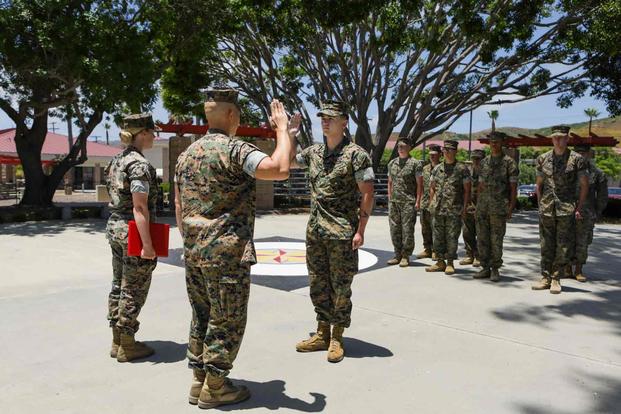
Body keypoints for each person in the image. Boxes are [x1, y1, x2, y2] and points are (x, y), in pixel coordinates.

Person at [175, 89, 295, 408]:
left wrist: (189, 240)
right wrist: (281, 129)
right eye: (238, 114)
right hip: (226, 253)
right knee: (227, 318)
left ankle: (199, 379)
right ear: (231, 115)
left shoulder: (187, 154)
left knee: (203, 315)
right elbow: (279, 169)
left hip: (194, 251)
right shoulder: (235, 149)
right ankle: (216, 387)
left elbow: (179, 204)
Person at [293, 100, 375, 363]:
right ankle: (321, 332)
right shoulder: (314, 152)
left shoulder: (356, 155)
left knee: (341, 287)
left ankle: (337, 336)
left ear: (344, 122)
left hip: (341, 233)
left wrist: (360, 230)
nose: (325, 121)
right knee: (317, 284)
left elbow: (367, 193)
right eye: (322, 117)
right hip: (315, 232)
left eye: (330, 117)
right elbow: (289, 163)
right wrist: (288, 135)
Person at [105, 113, 159, 363]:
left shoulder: (117, 160)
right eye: (151, 131)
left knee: (119, 283)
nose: (154, 136)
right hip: (132, 230)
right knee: (134, 287)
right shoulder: (138, 164)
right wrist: (148, 244)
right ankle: (127, 344)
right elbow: (140, 207)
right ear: (142, 133)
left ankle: (117, 339)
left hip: (115, 227)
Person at [532, 125, 588, 294]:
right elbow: (539, 184)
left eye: (561, 137)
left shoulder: (577, 159)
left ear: (567, 138)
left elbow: (584, 185)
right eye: (555, 137)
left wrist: (578, 207)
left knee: (563, 246)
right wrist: (541, 204)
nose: (558, 139)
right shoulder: (543, 158)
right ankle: (545, 277)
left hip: (566, 208)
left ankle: (556, 278)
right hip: (547, 208)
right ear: (551, 139)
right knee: (546, 244)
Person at [474, 132, 518, 282]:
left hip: (499, 208)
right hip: (483, 207)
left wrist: (511, 207)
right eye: (492, 142)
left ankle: (495, 269)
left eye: (497, 142)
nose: (494, 144)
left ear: (502, 143)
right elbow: (480, 186)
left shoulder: (509, 163)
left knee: (496, 240)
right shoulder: (484, 162)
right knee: (482, 238)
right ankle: (485, 267)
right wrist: (477, 206)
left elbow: (513, 187)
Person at [426, 139, 471, 275]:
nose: (447, 152)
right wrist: (431, 203)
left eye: (450, 150)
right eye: (445, 150)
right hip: (438, 209)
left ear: (455, 151)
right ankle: (440, 262)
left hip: (454, 209)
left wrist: (464, 208)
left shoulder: (462, 169)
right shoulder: (438, 168)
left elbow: (467, 190)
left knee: (452, 237)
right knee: (438, 236)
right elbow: (432, 187)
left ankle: (450, 262)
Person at [570, 143, 608, 282]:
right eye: (577, 152)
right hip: (567, 212)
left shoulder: (597, 173)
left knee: (583, 242)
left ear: (588, 154)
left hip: (586, 213)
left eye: (583, 153)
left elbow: (603, 196)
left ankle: (578, 270)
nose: (580, 155)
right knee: (566, 240)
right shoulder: (568, 171)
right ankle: (567, 268)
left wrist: (597, 212)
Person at [386, 136, 423, 267]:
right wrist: (390, 197)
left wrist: (418, 201)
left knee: (407, 230)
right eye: (398, 147)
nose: (400, 149)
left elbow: (420, 185)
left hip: (408, 202)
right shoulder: (392, 163)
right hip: (394, 202)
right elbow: (390, 182)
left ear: (409, 148)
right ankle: (397, 254)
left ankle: (406, 256)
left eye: (402, 147)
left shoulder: (415, 163)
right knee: (394, 229)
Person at [416, 144, 441, 260]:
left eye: (435, 155)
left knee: (435, 227)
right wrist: (419, 200)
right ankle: (427, 249)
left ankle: (436, 250)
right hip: (425, 202)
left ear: (440, 155)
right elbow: (420, 186)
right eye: (431, 155)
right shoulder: (425, 169)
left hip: (438, 203)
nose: (432, 157)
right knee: (425, 227)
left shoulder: (442, 168)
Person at [460, 149, 484, 267]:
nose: (476, 161)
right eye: (474, 158)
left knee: (480, 233)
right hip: (469, 206)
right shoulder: (467, 172)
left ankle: (479, 256)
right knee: (467, 232)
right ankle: (469, 255)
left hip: (482, 207)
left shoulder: (487, 173)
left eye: (478, 159)